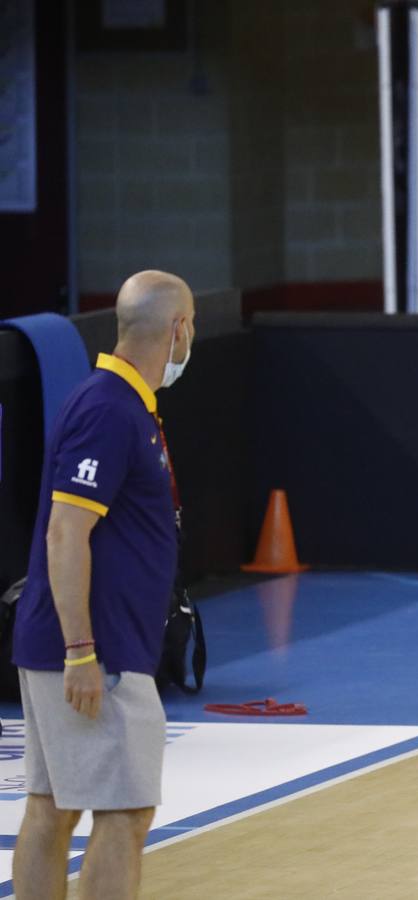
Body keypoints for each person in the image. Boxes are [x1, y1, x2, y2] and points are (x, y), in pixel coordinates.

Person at [12, 270, 195, 899]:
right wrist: (81, 650)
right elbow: (66, 534)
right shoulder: (108, 409)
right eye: (189, 325)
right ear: (178, 329)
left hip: (84, 643)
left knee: (54, 805)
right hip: (98, 651)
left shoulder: (119, 403)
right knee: (124, 814)